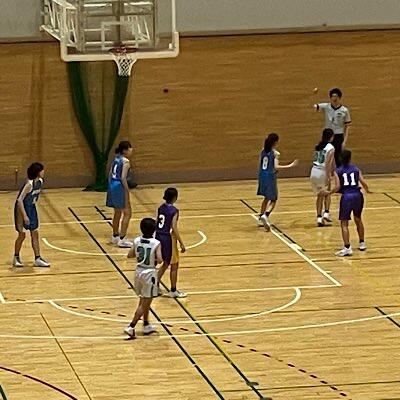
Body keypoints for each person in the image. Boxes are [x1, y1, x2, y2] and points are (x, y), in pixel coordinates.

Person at [325, 149, 371, 257]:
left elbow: (337, 186)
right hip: (358, 195)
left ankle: (347, 247)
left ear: (340, 158)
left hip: (347, 197)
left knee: (344, 223)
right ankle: (362, 243)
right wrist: (367, 190)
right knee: (358, 219)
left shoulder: (337, 171)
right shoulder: (356, 169)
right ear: (350, 158)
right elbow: (363, 182)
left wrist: (329, 192)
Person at [124, 218, 162, 339]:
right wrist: (152, 257)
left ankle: (146, 324)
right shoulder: (156, 243)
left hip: (138, 271)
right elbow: (160, 260)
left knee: (144, 299)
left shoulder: (136, 240)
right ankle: (131, 326)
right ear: (154, 230)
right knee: (146, 302)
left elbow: (130, 255)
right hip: (149, 273)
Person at [257, 133, 298, 231]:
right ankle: (266, 215)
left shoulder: (262, 151)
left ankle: (261, 217)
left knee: (266, 197)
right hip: (270, 176)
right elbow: (276, 167)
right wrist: (290, 165)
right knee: (274, 199)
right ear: (275, 142)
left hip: (261, 175)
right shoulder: (275, 153)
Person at [13, 162, 50, 268]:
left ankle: (37, 258)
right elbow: (19, 200)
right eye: (42, 170)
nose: (43, 171)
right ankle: (16, 257)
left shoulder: (40, 182)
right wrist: (24, 216)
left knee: (35, 233)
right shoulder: (29, 184)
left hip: (31, 208)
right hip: (21, 209)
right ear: (37, 172)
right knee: (22, 235)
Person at [156, 188, 187, 298]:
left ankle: (154, 284)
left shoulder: (161, 208)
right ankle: (173, 290)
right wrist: (181, 242)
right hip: (168, 238)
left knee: (165, 262)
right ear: (175, 198)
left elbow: (157, 222)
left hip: (158, 235)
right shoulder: (174, 211)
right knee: (174, 264)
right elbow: (173, 227)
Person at [314, 88, 351, 167]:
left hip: (338, 135)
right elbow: (314, 106)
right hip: (327, 135)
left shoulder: (344, 110)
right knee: (325, 154)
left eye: (336, 96)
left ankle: (337, 172)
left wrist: (344, 141)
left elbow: (347, 126)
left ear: (339, 97)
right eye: (333, 96)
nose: (334, 98)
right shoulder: (326, 106)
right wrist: (314, 96)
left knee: (337, 156)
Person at [106, 141, 133, 248]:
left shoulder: (116, 159)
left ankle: (115, 236)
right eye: (130, 148)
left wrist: (111, 186)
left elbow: (109, 174)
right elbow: (123, 177)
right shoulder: (126, 161)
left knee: (117, 212)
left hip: (112, 185)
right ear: (125, 150)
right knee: (127, 213)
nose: (131, 150)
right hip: (119, 186)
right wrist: (127, 190)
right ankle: (122, 239)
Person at [310, 128, 335, 226]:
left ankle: (319, 218)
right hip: (322, 171)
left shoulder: (318, 146)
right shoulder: (330, 147)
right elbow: (328, 163)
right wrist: (329, 175)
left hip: (314, 171)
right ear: (331, 137)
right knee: (327, 193)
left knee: (319, 195)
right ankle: (326, 213)